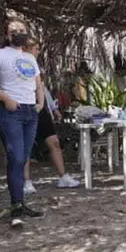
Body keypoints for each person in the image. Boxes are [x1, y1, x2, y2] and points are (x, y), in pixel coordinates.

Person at [0, 19, 45, 227]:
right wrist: (5, 99)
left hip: (30, 112)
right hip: (11, 112)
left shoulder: (29, 57)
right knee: (16, 157)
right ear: (7, 35)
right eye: (14, 30)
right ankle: (16, 205)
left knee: (23, 158)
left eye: (22, 30)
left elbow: (38, 83)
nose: (19, 33)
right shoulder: (0, 54)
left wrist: (40, 104)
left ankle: (20, 203)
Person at [21, 38, 80, 193]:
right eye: (35, 49)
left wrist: (53, 108)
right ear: (26, 49)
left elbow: (42, 88)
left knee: (54, 142)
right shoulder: (17, 64)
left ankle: (63, 177)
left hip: (42, 109)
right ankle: (26, 181)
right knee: (25, 146)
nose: (38, 52)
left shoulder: (36, 66)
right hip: (26, 107)